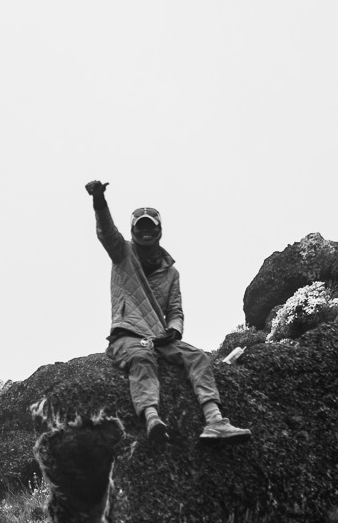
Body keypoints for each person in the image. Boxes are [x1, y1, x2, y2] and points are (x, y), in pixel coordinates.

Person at [84, 180, 250, 442]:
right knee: (142, 358)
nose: (146, 232)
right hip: (127, 335)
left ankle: (215, 420)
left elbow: (175, 310)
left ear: (159, 230)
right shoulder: (122, 254)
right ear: (134, 231)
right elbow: (107, 232)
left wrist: (174, 331)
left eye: (151, 226)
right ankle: (152, 419)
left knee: (198, 357)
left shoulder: (171, 272)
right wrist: (99, 201)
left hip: (160, 337)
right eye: (141, 227)